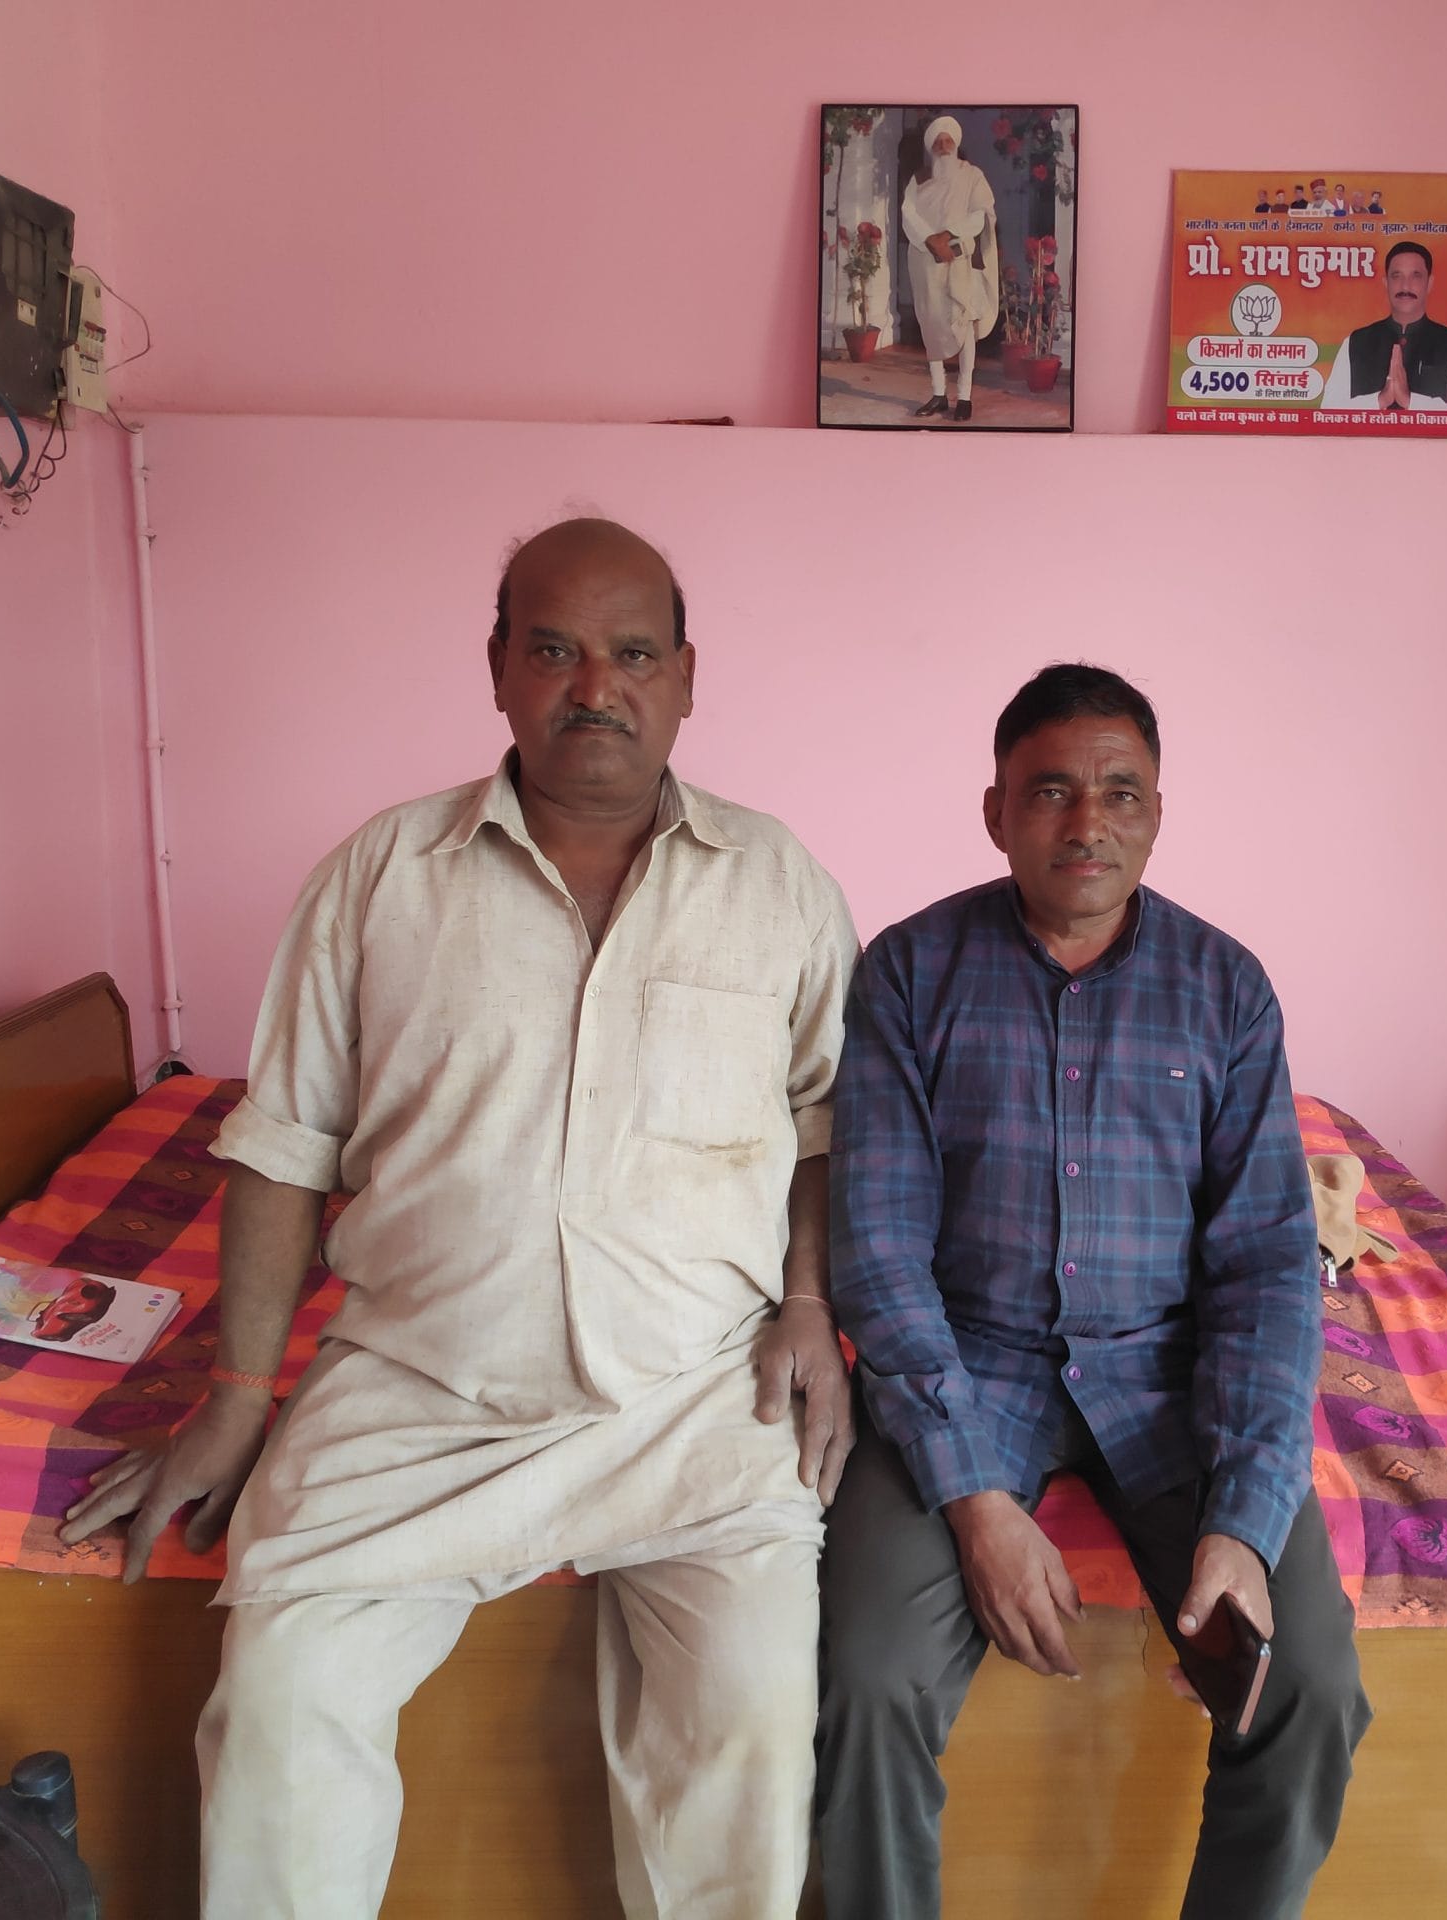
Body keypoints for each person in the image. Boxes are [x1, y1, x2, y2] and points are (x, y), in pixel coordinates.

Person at [61, 518, 859, 1920]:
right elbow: (284, 1143)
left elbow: (821, 1135)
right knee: (281, 1700)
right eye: (552, 650)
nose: (592, 688)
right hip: (420, 1386)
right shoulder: (381, 877)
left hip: (695, 1397)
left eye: (630, 654)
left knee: (749, 1728)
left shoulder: (780, 885)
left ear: (686, 679)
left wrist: (806, 1307)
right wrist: (240, 1395)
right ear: (496, 668)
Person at [815, 663, 1371, 1919]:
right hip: (970, 1366)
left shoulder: (1226, 989)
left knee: (1309, 1689)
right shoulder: (908, 974)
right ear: (996, 812)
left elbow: (1268, 1268)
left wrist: (1240, 1516)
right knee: (865, 1677)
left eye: (1119, 791)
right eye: (1050, 791)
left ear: (1157, 811)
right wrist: (970, 1499)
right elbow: (877, 1251)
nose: (1086, 821)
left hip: (1165, 1377)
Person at [901, 116, 1000, 424]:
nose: (944, 147)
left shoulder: (972, 175)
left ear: (956, 145)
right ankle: (939, 393)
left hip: (959, 259)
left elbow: (980, 215)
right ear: (931, 147)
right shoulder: (919, 178)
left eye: (948, 141)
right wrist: (930, 239)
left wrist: (946, 236)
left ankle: (965, 396)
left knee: (964, 322)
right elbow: (908, 213)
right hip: (925, 259)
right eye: (938, 142)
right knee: (931, 323)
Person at [1318, 239, 1447, 414]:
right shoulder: (1356, 342)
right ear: (1386, 283)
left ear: (1429, 283)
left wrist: (1409, 400)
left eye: (1416, 276)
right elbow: (1328, 410)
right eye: (1396, 276)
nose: (1405, 286)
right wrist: (1380, 399)